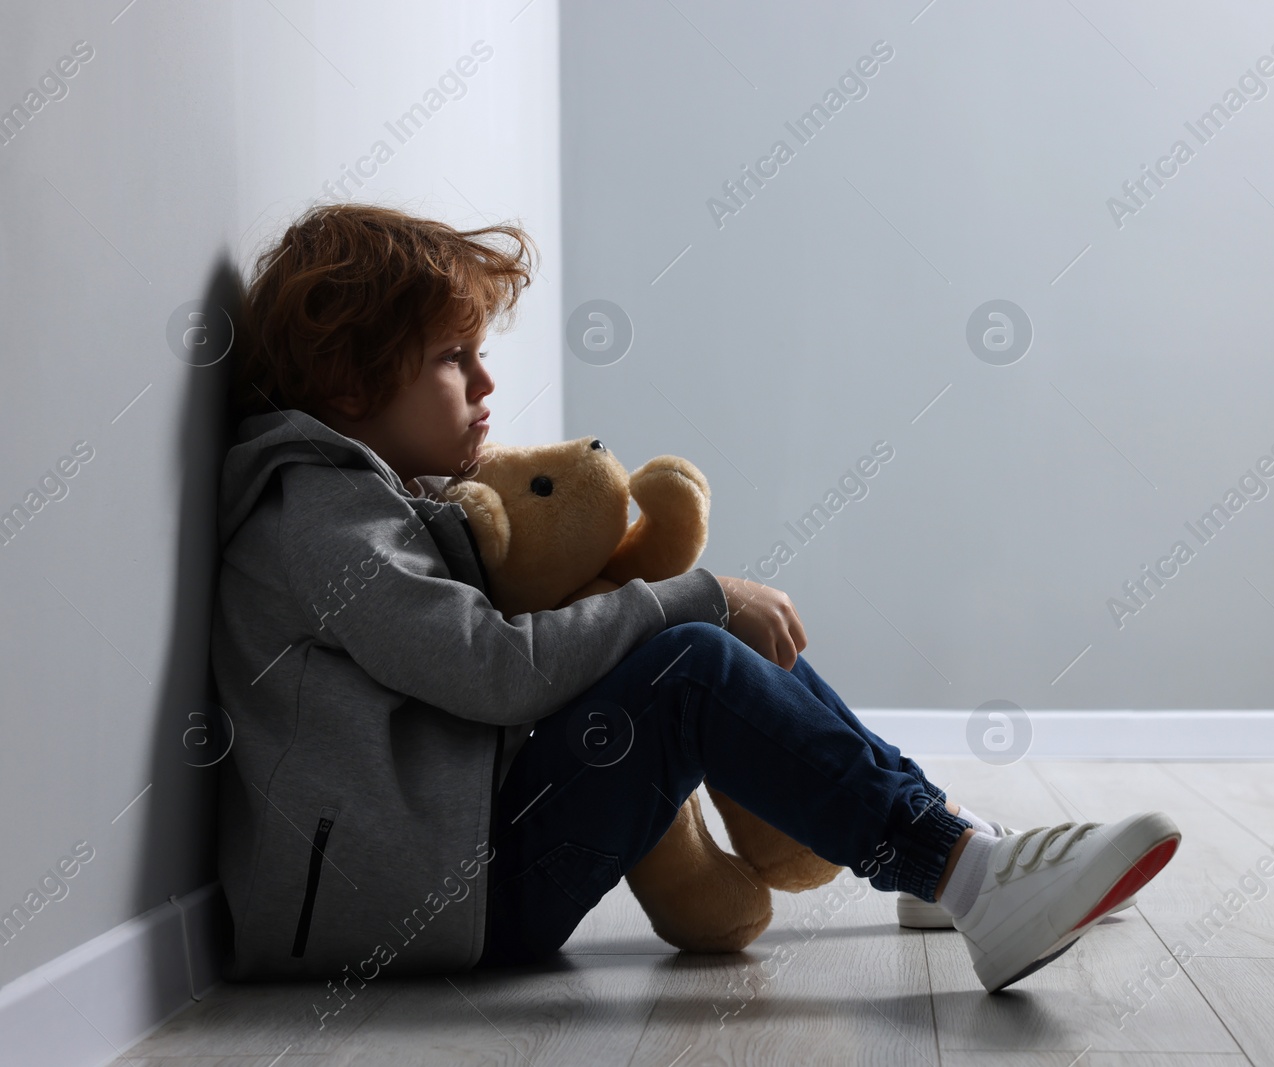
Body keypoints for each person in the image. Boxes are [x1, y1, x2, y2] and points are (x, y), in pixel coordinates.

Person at [210, 203, 1181, 997]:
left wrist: (694, 602)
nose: (487, 380)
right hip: (417, 912)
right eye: (453, 357)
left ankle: (950, 850)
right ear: (345, 381)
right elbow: (493, 669)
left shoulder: (364, 498)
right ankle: (966, 874)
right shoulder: (319, 517)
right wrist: (691, 597)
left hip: (454, 880)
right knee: (694, 654)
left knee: (714, 633)